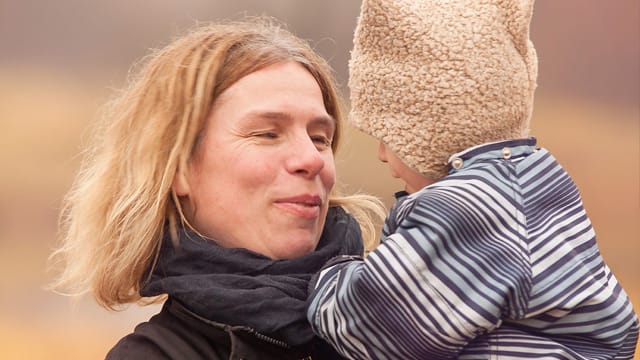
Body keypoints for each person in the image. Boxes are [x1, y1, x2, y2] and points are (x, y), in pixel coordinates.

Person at [307, 0, 639, 359]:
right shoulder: (535, 184)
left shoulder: (471, 210)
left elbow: (367, 324)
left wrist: (323, 270)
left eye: (388, 136)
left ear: (430, 130)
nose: (382, 154)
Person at [48, 17, 386, 359]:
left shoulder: (405, 323)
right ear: (178, 166)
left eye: (319, 138)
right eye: (267, 133)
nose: (311, 160)